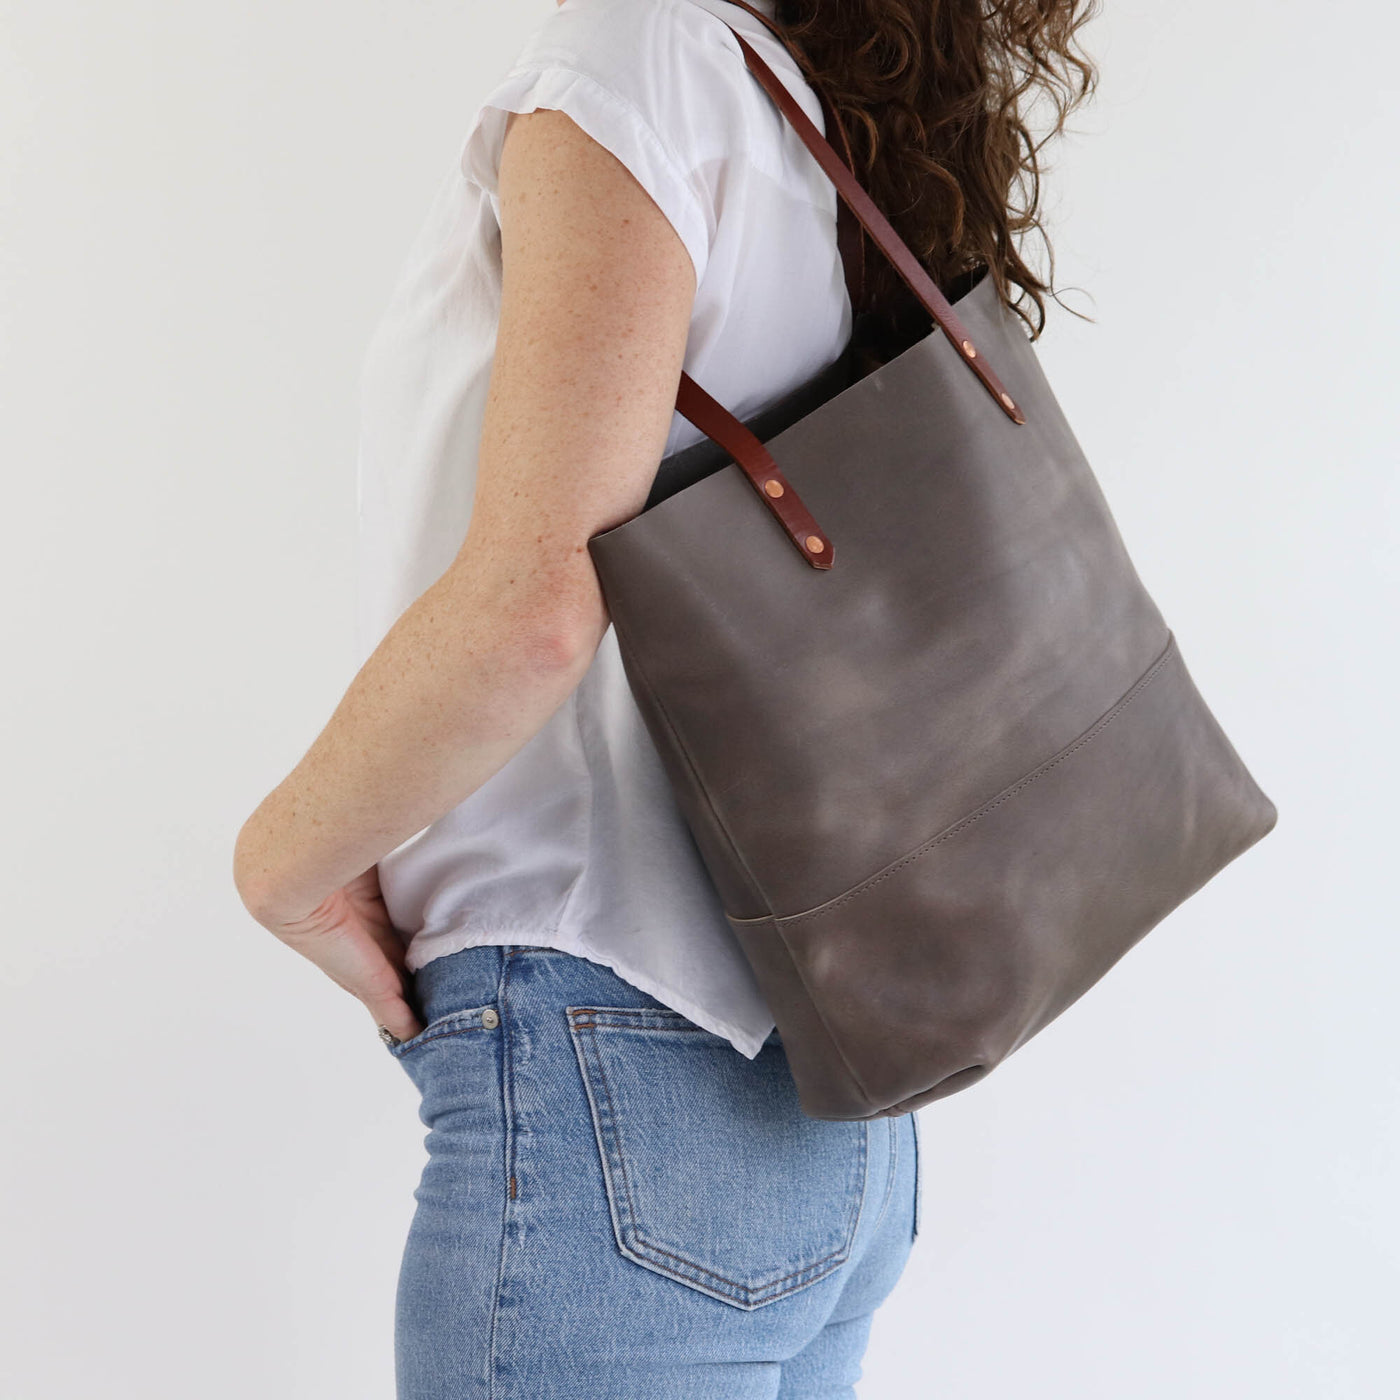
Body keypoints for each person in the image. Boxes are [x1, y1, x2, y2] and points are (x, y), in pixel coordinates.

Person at [233, 0, 1099, 1393]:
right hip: (830, 1102)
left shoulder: (630, 59)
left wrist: (281, 866)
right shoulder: (817, 97)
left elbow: (531, 611)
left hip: (608, 1064)